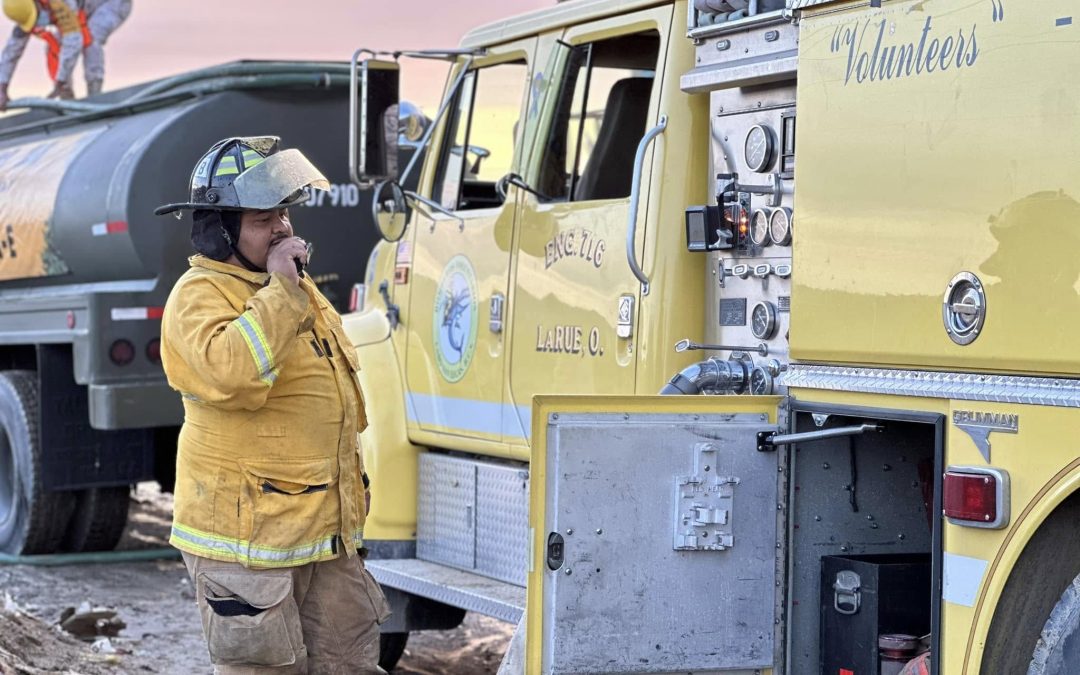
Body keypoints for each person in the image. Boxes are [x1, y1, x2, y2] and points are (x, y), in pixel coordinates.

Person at [155, 136, 390, 673]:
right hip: (246, 548)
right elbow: (232, 374)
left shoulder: (284, 286)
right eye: (264, 219)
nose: (283, 228)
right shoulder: (200, 295)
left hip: (319, 536)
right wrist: (282, 290)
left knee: (347, 665)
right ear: (221, 229)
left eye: (283, 213)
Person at [0, 0, 132, 110]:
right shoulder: (23, 12)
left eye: (37, 15)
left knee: (91, 38)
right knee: (53, 47)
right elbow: (11, 51)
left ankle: (95, 95)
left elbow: (74, 41)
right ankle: (68, 99)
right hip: (83, 12)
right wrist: (2, 87)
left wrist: (61, 80)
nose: (37, 22)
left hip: (111, 4)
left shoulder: (62, 2)